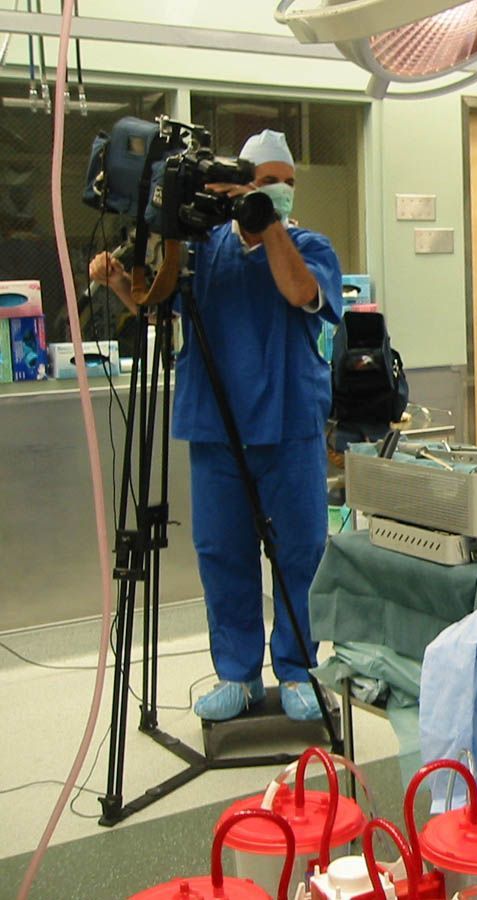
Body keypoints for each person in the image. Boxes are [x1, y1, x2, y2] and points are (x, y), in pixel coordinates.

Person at [89, 130, 343, 722]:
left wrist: (268, 222)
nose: (278, 191)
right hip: (216, 429)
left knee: (298, 552)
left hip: (288, 426)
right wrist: (118, 279)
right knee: (222, 553)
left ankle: (298, 668)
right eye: (265, 181)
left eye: (287, 183)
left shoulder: (310, 246)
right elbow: (157, 304)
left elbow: (300, 291)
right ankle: (237, 674)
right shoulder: (204, 251)